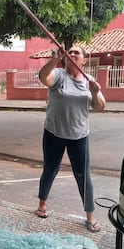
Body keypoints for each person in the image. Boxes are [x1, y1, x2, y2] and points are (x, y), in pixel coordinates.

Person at [36, 45, 106, 232]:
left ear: (84, 59)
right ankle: (42, 204)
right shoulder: (58, 74)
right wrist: (53, 59)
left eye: (77, 52)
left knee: (83, 176)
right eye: (71, 52)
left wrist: (94, 91)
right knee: (50, 170)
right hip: (53, 133)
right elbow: (43, 77)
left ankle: (90, 216)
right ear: (66, 57)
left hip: (79, 137)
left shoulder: (89, 81)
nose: (73, 54)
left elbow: (100, 107)